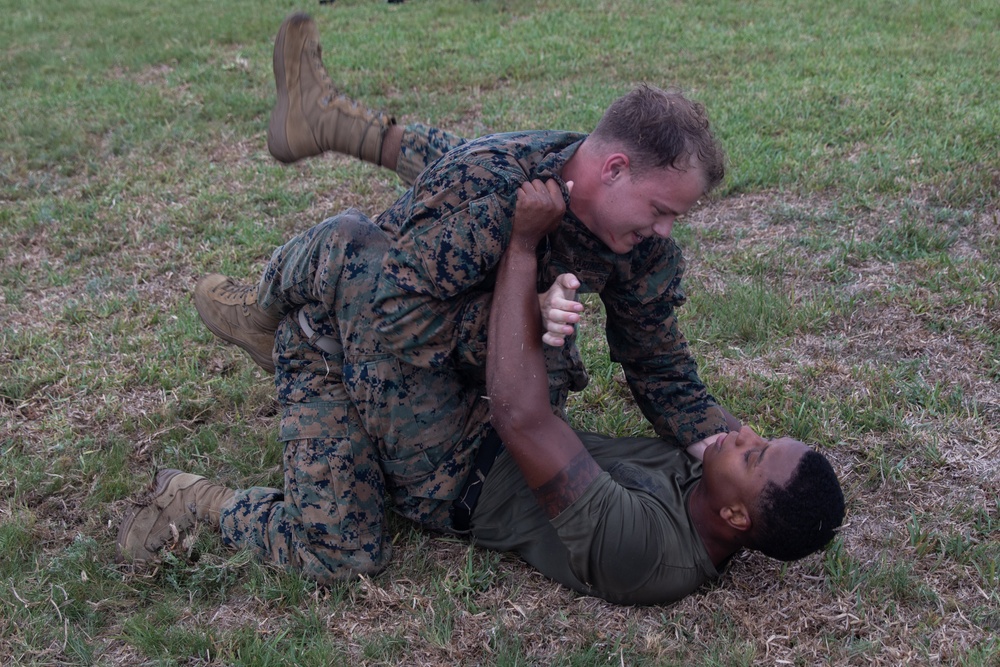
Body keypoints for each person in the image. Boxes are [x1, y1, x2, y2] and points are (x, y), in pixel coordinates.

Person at [117, 181, 846, 605]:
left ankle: (282, 373)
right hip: (491, 427)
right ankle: (302, 330)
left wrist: (524, 247)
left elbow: (519, 412)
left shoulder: (647, 553)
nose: (743, 434)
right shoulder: (719, 491)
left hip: (448, 471)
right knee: (531, 304)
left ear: (734, 515)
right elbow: (675, 394)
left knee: (344, 548)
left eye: (753, 455)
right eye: (760, 437)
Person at [200, 12, 741, 465]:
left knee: (469, 170)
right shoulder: (486, 188)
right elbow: (395, 311)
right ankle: (261, 315)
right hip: (386, 328)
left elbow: (657, 357)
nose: (665, 231)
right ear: (615, 168)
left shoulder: (633, 237)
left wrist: (720, 443)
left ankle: (326, 120)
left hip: (487, 228)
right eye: (660, 209)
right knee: (377, 237)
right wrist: (522, 313)